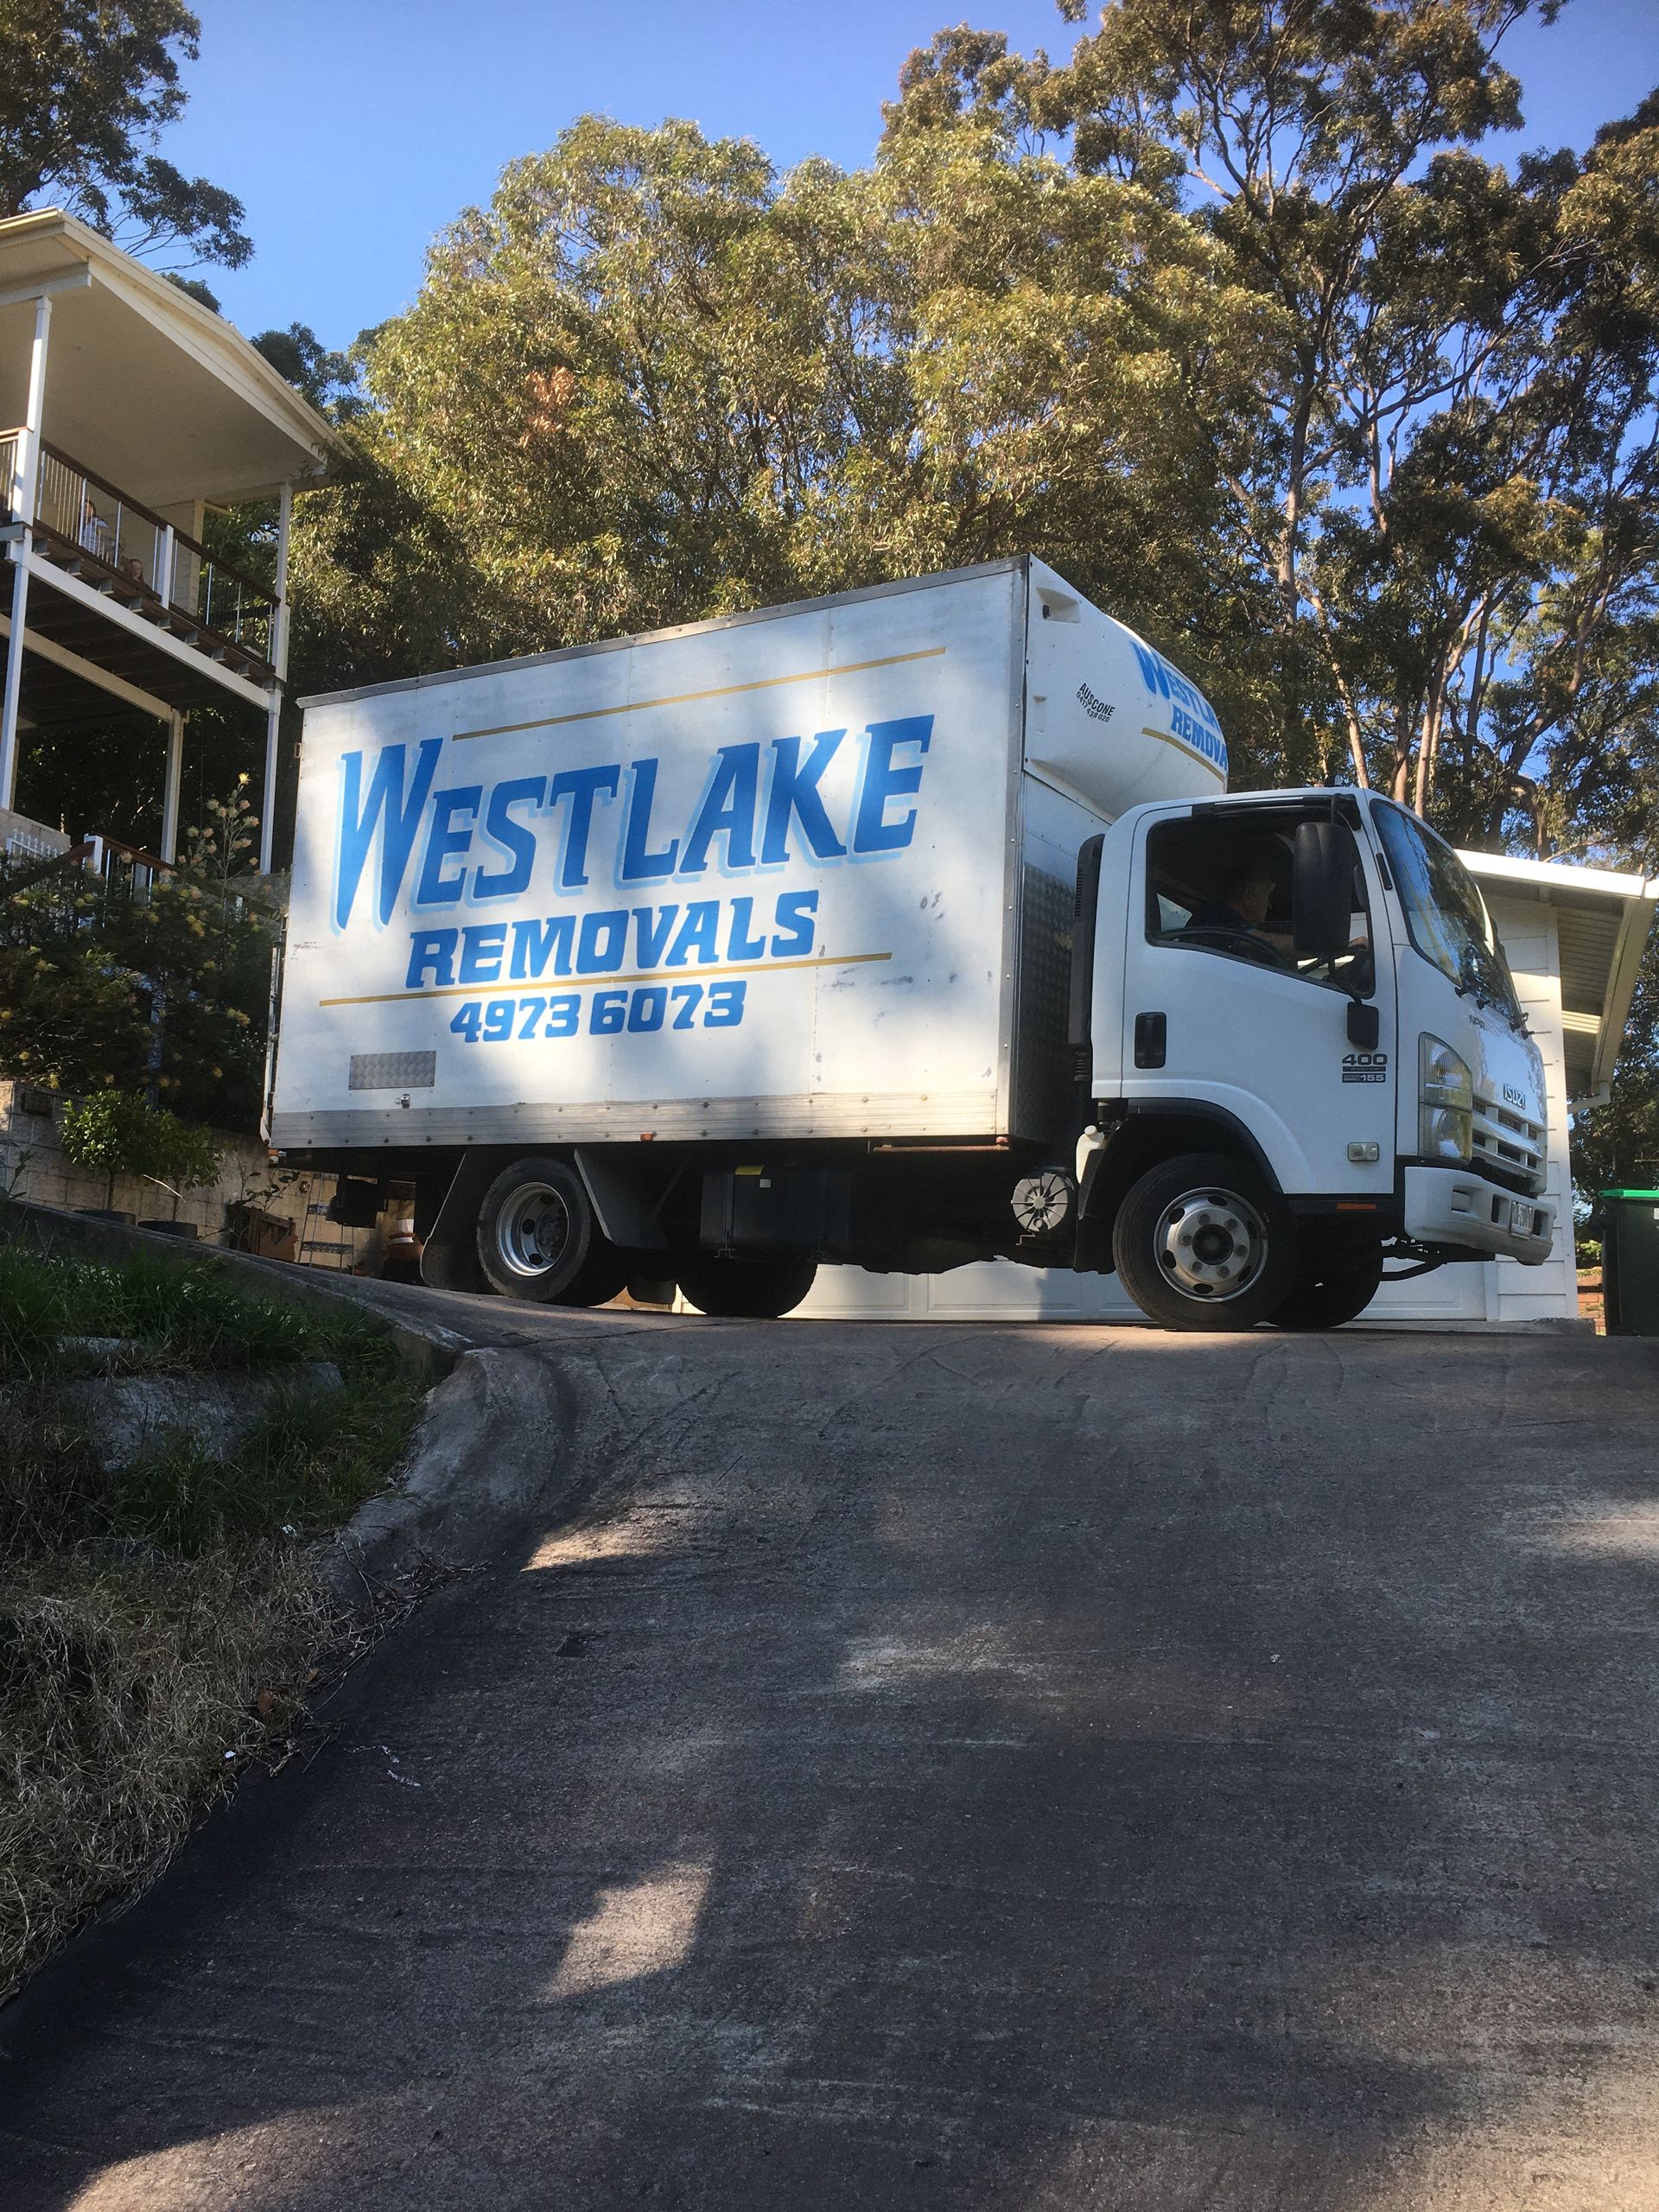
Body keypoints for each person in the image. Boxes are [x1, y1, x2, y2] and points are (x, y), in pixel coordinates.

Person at [1186, 862, 1296, 956]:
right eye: (1267, 896)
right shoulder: (1218, 918)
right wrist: (1310, 942)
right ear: (1248, 896)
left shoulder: (1222, 919)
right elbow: (1270, 943)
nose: (1269, 905)